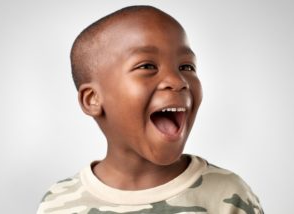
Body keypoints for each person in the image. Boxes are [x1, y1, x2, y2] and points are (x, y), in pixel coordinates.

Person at [37, 5, 263, 214]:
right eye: (147, 66)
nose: (178, 80)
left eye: (186, 66)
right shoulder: (58, 203)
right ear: (92, 99)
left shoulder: (229, 195)